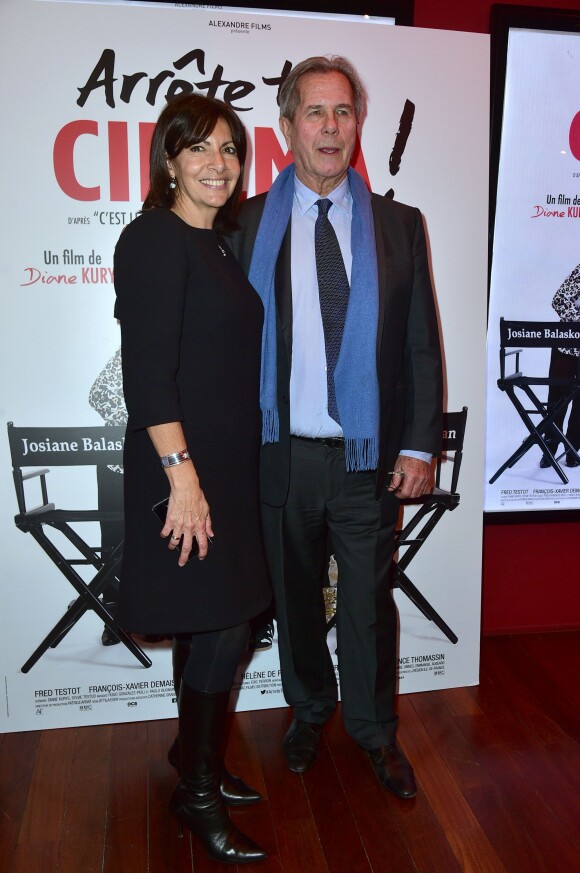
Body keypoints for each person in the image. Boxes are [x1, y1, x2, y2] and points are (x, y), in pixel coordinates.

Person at [231, 56, 443, 799]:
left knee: (365, 604)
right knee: (294, 600)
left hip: (365, 458)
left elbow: (420, 342)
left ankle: (375, 731)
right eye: (314, 113)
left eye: (343, 112)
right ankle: (309, 708)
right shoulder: (248, 223)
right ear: (287, 126)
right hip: (280, 454)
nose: (330, 127)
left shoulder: (398, 226)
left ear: (358, 125)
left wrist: (420, 443)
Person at [113, 92, 270, 864]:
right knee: (222, 624)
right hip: (184, 466)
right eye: (200, 147)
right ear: (169, 159)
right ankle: (196, 793)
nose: (219, 163)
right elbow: (147, 377)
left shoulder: (217, 245)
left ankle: (190, 756)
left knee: (217, 622)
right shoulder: (153, 240)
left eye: (231, 148)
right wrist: (182, 477)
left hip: (226, 470)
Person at [540, 263, 580, 468]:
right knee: (557, 397)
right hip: (567, 344)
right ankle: (550, 446)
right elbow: (559, 300)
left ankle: (573, 449)